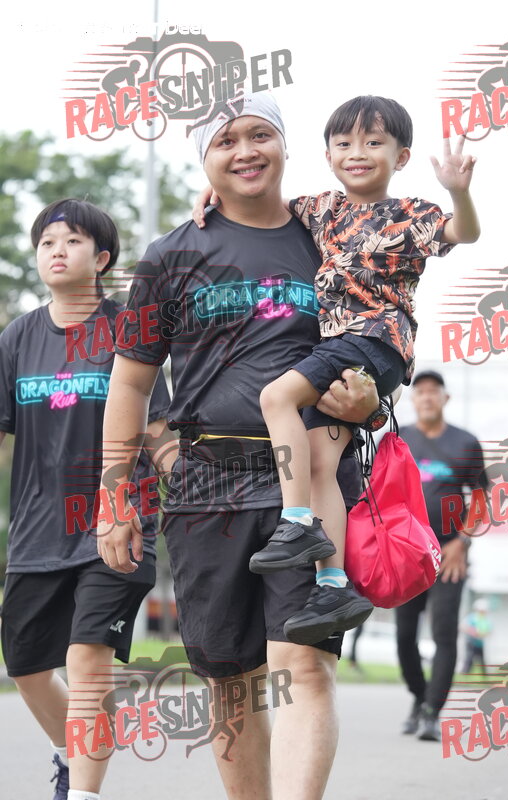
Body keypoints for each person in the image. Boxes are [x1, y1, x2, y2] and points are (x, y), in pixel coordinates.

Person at [96, 92, 382, 800]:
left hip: (310, 483)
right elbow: (130, 383)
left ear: (285, 145)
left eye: (260, 135)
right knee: (230, 679)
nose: (246, 151)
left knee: (305, 665)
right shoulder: (170, 256)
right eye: (225, 141)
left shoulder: (333, 240)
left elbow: (381, 341)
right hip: (205, 488)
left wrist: (374, 403)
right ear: (205, 158)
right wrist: (116, 495)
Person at [194, 94, 480, 645]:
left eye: (374, 143)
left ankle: (296, 521)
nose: (358, 153)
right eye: (344, 143)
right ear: (328, 156)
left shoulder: (411, 214)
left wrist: (459, 191)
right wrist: (213, 190)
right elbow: (259, 200)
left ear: (400, 157)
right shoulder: (321, 208)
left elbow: (463, 233)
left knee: (275, 397)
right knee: (321, 461)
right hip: (343, 349)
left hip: (374, 340)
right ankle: (332, 585)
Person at [0, 198, 173, 800]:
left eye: (72, 241)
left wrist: (191, 490)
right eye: (47, 242)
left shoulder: (129, 331)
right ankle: (71, 755)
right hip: (36, 532)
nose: (57, 251)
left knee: (87, 660)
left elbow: (158, 430)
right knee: (25, 667)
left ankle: (83, 795)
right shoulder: (18, 337)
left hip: (118, 525)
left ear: (101, 259)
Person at [395, 370, 488, 741]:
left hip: (449, 555)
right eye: (420, 391)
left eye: (434, 391)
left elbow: (479, 497)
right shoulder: (399, 438)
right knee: (404, 636)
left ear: (445, 398)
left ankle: (432, 712)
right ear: (413, 400)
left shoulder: (465, 442)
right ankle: (420, 697)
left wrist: (462, 542)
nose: (427, 397)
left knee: (444, 633)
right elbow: (386, 491)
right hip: (408, 554)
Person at [460, 598, 492, 674]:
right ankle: (465, 672)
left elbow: (489, 631)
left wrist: (483, 634)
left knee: (481, 659)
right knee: (469, 658)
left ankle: (484, 674)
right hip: (471, 641)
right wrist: (472, 631)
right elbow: (463, 627)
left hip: (480, 642)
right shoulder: (472, 617)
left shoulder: (485, 619)